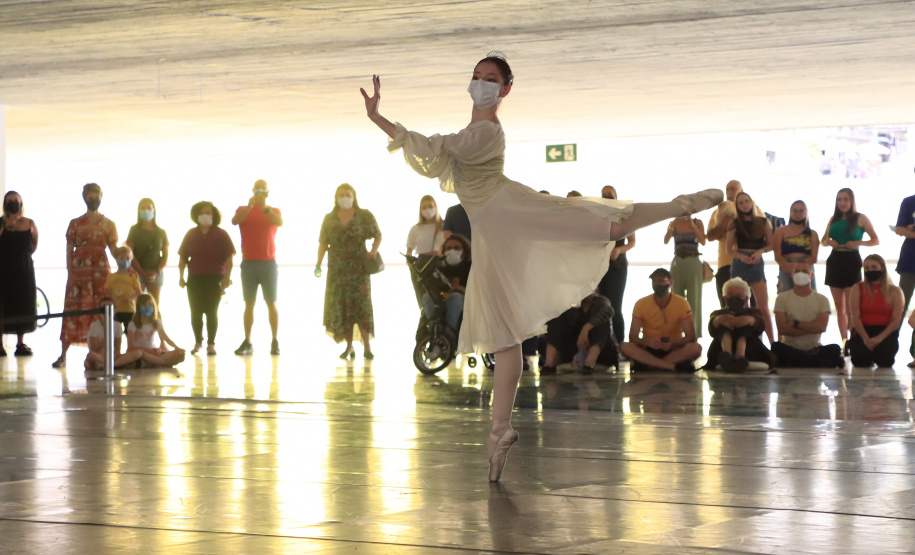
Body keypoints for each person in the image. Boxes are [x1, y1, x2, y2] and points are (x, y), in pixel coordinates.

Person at [362, 54, 721, 481]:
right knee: (505, 333)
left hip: (512, 211)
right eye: (476, 77)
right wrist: (379, 119)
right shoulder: (468, 136)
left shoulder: (486, 132)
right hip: (493, 235)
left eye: (490, 78)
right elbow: (432, 158)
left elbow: (436, 147)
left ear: (505, 89)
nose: (481, 83)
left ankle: (679, 206)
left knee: (600, 224)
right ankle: (500, 430)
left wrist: (383, 120)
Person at [54, 183, 118, 368]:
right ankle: (63, 355)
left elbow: (114, 250)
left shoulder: (109, 224)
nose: (93, 198)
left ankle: (103, 355)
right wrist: (70, 272)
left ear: (101, 196)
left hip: (101, 274)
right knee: (72, 310)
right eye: (90, 194)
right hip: (79, 274)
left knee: (101, 313)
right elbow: (69, 249)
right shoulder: (75, 223)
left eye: (96, 194)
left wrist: (126, 263)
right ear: (84, 196)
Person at [316, 183, 382, 360]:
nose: (345, 197)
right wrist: (318, 263)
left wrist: (373, 251)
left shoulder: (364, 215)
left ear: (354, 196)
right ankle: (349, 346)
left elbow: (378, 234)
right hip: (337, 271)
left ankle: (367, 346)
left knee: (362, 308)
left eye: (348, 194)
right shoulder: (329, 218)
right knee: (342, 307)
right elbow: (323, 242)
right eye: (341, 194)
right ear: (336, 198)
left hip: (359, 270)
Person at [232, 179, 283, 356]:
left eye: (263, 191)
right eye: (257, 190)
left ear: (267, 193)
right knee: (249, 303)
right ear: (253, 191)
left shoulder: (273, 211)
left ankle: (275, 341)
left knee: (271, 303)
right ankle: (248, 341)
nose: (260, 193)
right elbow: (235, 221)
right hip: (248, 263)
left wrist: (264, 208)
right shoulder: (242, 210)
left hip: (268, 263)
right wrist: (249, 206)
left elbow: (279, 221)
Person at [822, 187, 879, 346]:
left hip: (852, 259)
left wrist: (857, 243)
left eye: (845, 199)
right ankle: (844, 342)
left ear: (851, 201)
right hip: (835, 260)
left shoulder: (861, 218)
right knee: (839, 308)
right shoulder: (833, 218)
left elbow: (875, 240)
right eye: (839, 199)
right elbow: (823, 239)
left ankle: (854, 340)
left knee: (851, 307)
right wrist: (828, 242)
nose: (842, 203)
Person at [178, 201, 236, 356]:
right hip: (195, 278)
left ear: (214, 215)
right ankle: (198, 342)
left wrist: (227, 278)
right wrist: (181, 277)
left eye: (208, 213)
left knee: (212, 311)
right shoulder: (191, 234)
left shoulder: (221, 234)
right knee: (195, 311)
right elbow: (183, 258)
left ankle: (211, 344)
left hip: (214, 278)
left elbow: (229, 259)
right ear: (197, 215)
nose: (205, 215)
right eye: (202, 212)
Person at [619, 268, 703, 373]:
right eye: (654, 281)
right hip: (649, 348)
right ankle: (670, 366)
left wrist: (672, 342)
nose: (657, 284)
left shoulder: (682, 303)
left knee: (696, 348)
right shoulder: (641, 303)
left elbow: (691, 337)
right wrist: (648, 342)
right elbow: (633, 336)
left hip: (674, 348)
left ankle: (650, 364)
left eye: (661, 280)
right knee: (624, 346)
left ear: (671, 283)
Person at [771, 262, 844, 368]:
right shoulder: (782, 298)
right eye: (797, 271)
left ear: (812, 275)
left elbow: (821, 327)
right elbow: (782, 329)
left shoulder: (822, 299)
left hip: (814, 348)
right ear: (792, 274)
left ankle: (799, 361)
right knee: (776, 347)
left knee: (835, 348)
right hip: (790, 347)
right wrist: (811, 327)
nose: (800, 274)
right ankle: (812, 362)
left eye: (805, 271)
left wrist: (796, 324)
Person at [706, 180, 764, 308]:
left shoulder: (753, 207)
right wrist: (723, 225)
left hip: (750, 262)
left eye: (733, 189)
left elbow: (762, 231)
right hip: (725, 265)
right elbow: (709, 236)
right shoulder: (719, 210)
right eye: (727, 189)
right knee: (727, 307)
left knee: (753, 307)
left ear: (742, 191)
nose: (730, 192)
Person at [727, 191, 775, 344]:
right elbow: (729, 250)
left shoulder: (763, 221)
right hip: (740, 261)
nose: (744, 205)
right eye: (740, 203)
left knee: (763, 307)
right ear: (737, 206)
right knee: (740, 306)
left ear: (751, 202)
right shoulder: (734, 223)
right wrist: (740, 256)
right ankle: (744, 342)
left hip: (756, 260)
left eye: (746, 201)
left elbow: (772, 244)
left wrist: (761, 251)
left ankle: (773, 343)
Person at [540, 292, 616, 376]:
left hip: (601, 357)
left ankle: (589, 364)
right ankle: (549, 365)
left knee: (602, 324)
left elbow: (609, 310)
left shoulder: (601, 301)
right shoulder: (569, 303)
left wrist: (586, 328)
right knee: (556, 319)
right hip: (572, 353)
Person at [0, 191, 38, 357]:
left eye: (16, 201)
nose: (14, 203)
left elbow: (34, 245)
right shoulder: (1, 223)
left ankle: (20, 343)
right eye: (10, 201)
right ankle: (0, 344)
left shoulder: (30, 223)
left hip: (24, 270)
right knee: (2, 305)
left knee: (23, 304)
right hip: (3, 269)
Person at [847, 255, 902, 368]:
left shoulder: (895, 291)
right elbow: (855, 316)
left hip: (885, 331)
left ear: (882, 268)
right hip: (862, 330)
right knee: (860, 361)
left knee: (885, 361)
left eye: (874, 267)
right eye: (866, 268)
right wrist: (865, 338)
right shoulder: (857, 288)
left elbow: (896, 319)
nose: (870, 270)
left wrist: (880, 338)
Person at [706, 278, 772, 371]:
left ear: (746, 298)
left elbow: (760, 325)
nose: (734, 298)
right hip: (720, 349)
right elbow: (711, 329)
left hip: (749, 349)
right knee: (724, 320)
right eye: (731, 295)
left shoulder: (754, 312)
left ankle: (740, 355)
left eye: (738, 295)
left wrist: (750, 320)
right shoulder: (718, 313)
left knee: (744, 320)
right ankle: (726, 355)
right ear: (725, 298)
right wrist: (718, 321)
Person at [597, 186, 635, 344]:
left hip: (617, 266)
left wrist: (619, 249)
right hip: (600, 266)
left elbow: (632, 242)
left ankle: (619, 342)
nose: (607, 198)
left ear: (616, 197)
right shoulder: (599, 216)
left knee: (615, 305)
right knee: (600, 304)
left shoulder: (624, 216)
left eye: (610, 195)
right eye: (604, 195)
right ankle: (602, 342)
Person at [84, 297, 156, 371]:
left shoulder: (117, 325)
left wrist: (116, 356)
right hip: (99, 356)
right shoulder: (94, 325)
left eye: (110, 307)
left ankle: (111, 364)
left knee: (136, 354)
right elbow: (93, 349)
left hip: (113, 357)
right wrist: (106, 338)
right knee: (91, 355)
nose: (107, 310)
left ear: (115, 311)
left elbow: (118, 348)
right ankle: (108, 364)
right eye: (104, 308)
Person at [420, 234, 471, 337]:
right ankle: (435, 334)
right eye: (449, 248)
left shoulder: (471, 269)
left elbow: (478, 293)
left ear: (464, 252)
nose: (452, 251)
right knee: (427, 297)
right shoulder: (440, 271)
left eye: (456, 248)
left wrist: (458, 289)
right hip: (443, 301)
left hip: (465, 304)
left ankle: (449, 336)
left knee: (455, 297)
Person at [664, 215, 706, 337]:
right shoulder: (673, 223)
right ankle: (676, 333)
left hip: (693, 260)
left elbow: (703, 241)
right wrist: (672, 227)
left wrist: (693, 227)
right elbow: (666, 240)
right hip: (678, 261)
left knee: (695, 298)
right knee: (676, 297)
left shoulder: (697, 222)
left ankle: (694, 333)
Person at [125, 198, 169, 309]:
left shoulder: (161, 232)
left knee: (154, 305)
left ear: (154, 210)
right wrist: (142, 272)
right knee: (138, 305)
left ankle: (156, 326)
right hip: (137, 272)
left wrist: (157, 272)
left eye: (148, 208)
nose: (146, 210)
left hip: (156, 273)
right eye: (143, 208)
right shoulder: (134, 230)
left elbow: (165, 255)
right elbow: (130, 254)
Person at [127, 294, 186, 367]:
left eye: (150, 305)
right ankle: (160, 362)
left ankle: (152, 362)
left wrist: (177, 348)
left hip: (153, 352)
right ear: (139, 307)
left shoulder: (156, 323)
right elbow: (130, 347)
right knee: (139, 355)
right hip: (140, 353)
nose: (148, 308)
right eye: (145, 305)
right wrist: (150, 351)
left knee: (179, 354)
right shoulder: (133, 324)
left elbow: (166, 338)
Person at [772, 200, 819, 293]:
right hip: (786, 267)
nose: (797, 213)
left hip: (806, 268)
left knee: (809, 298)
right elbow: (777, 255)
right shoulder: (780, 231)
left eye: (801, 211)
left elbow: (814, 258)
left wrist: (800, 267)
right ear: (790, 212)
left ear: (806, 213)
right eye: (795, 211)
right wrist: (787, 266)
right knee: (784, 297)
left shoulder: (813, 234)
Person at [104, 246, 143, 332]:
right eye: (121, 258)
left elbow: (139, 293)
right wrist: (110, 307)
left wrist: (131, 298)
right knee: (115, 334)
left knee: (129, 333)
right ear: (116, 259)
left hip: (130, 310)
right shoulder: (111, 277)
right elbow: (108, 294)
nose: (125, 260)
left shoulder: (133, 276)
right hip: (115, 310)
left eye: (128, 258)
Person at [893, 184, 915, 316]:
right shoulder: (908, 202)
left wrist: (911, 229)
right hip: (909, 260)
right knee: (902, 303)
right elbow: (899, 229)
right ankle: (893, 336)